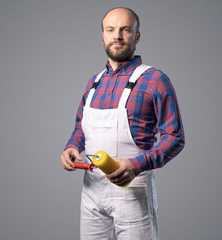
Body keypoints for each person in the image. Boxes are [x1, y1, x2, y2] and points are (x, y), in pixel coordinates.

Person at [60, 7, 185, 240]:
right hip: (91, 191)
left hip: (133, 191)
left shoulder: (155, 80)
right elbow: (80, 127)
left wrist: (135, 165)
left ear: (136, 36)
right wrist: (71, 147)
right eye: (110, 29)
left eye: (125, 29)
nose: (117, 35)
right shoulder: (94, 82)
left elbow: (174, 137)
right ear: (103, 35)